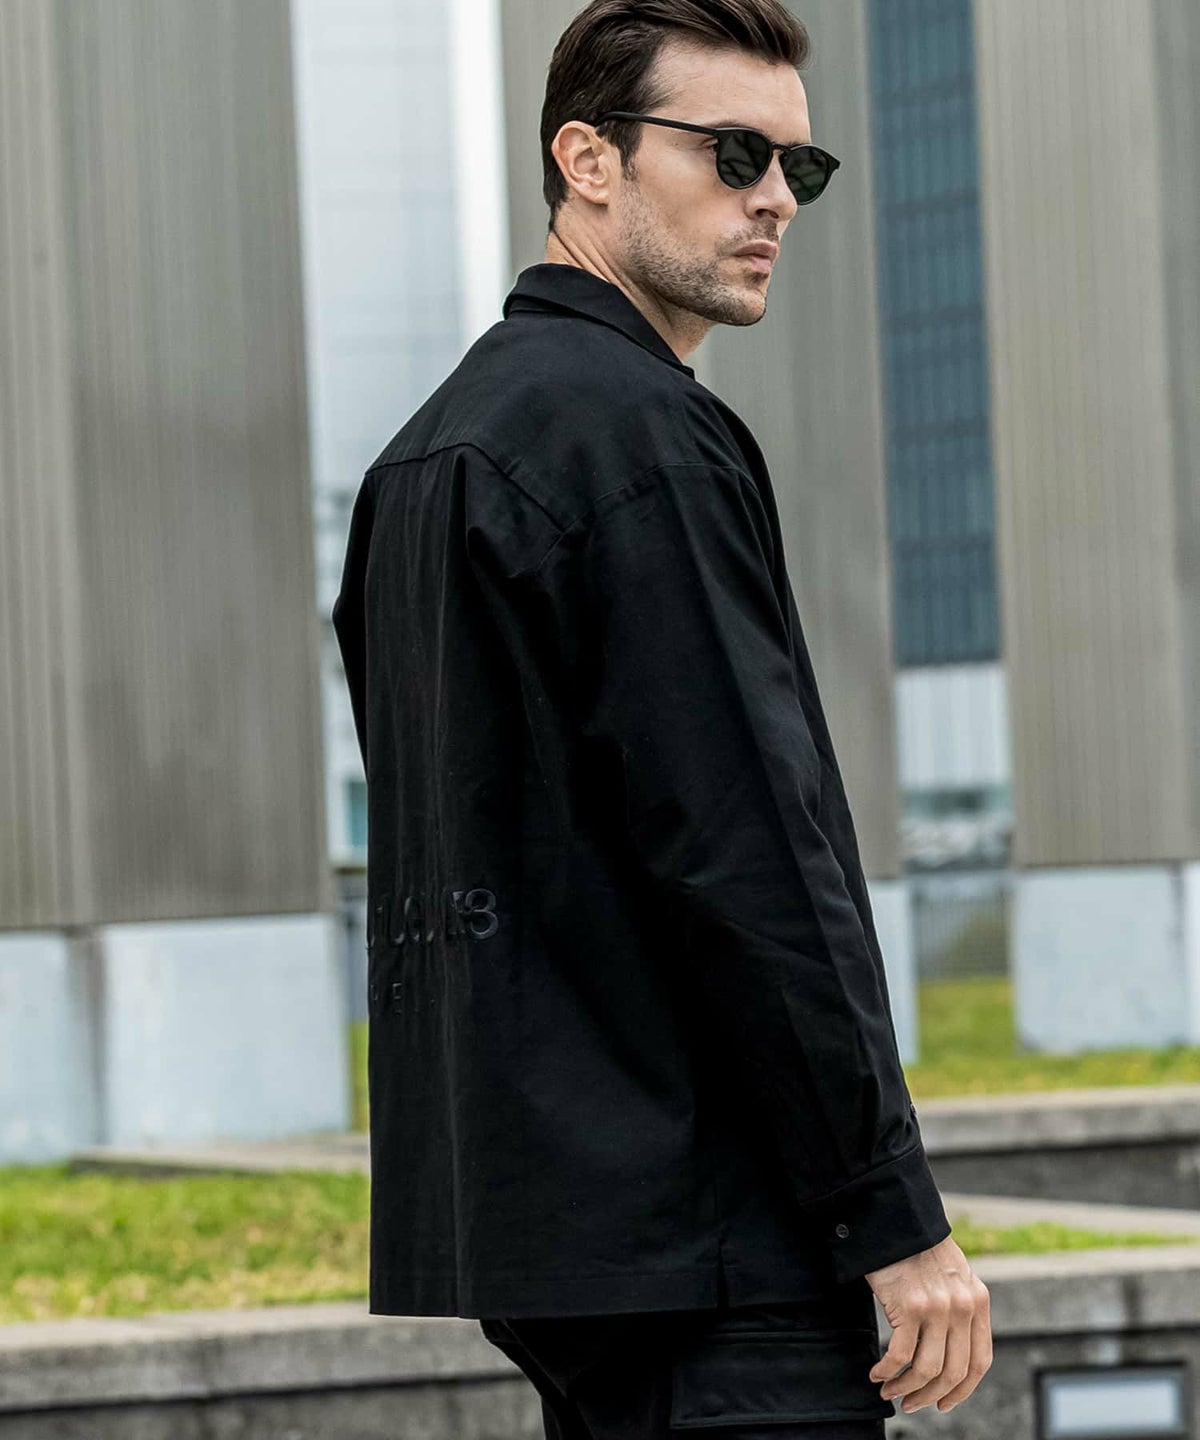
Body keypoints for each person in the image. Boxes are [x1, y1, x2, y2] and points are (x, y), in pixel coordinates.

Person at [331, 0, 993, 1433]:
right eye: (733, 153)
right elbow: (748, 853)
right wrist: (892, 1215)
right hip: (715, 1255)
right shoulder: (641, 438)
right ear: (589, 158)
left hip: (558, 1250)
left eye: (799, 167)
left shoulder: (424, 459)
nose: (775, 200)